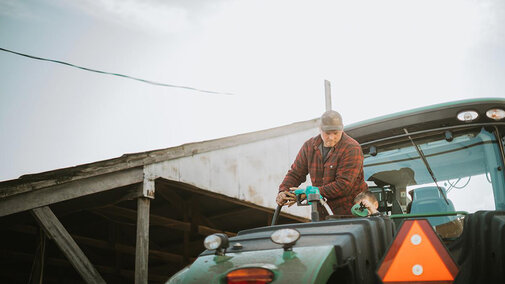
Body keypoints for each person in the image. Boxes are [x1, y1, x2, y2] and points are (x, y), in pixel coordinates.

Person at [276, 110, 368, 218]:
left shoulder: (352, 148)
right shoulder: (309, 146)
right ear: (320, 129)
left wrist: (311, 193)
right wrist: (283, 191)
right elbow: (296, 173)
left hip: (350, 214)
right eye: (327, 133)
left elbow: (343, 185)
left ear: (342, 129)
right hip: (322, 214)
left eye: (335, 133)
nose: (331, 137)